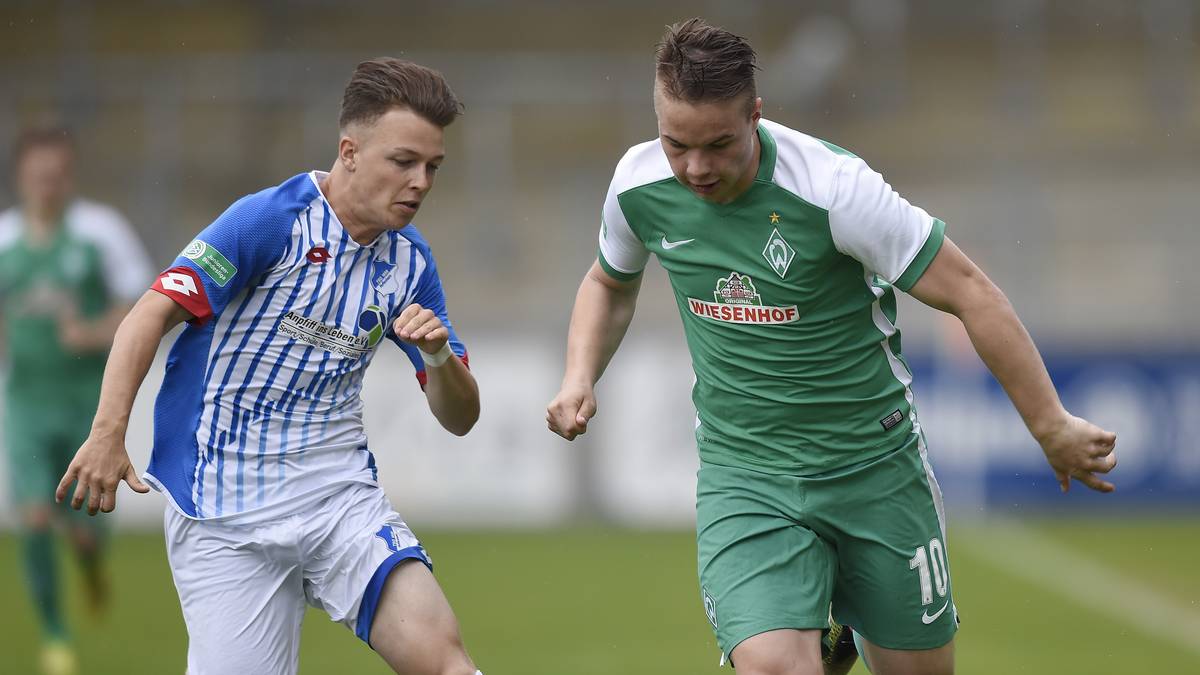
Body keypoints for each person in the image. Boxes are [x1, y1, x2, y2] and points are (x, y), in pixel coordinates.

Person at [546, 18, 1117, 675]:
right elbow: (609, 282)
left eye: (719, 145)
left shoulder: (837, 190)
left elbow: (973, 293)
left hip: (874, 467)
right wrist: (579, 374)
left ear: (755, 116)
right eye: (677, 144)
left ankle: (841, 621)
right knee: (777, 666)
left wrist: (1050, 425)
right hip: (747, 474)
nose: (696, 167)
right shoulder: (637, 185)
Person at [56, 58, 484, 675]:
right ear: (350, 151)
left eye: (433, 167)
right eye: (404, 162)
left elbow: (461, 417)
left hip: (339, 500)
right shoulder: (268, 222)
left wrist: (440, 355)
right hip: (224, 511)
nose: (421, 182)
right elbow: (148, 314)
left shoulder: (410, 264)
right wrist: (107, 432)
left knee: (447, 664)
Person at [0, 126, 154, 675]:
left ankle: (91, 561)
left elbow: (144, 306)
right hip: (27, 403)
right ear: (21, 175)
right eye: (39, 174)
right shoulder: (5, 239)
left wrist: (90, 333)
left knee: (85, 523)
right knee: (36, 516)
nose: (49, 184)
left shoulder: (100, 231)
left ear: (69, 175)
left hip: (88, 404)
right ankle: (55, 635)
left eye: (58, 174)